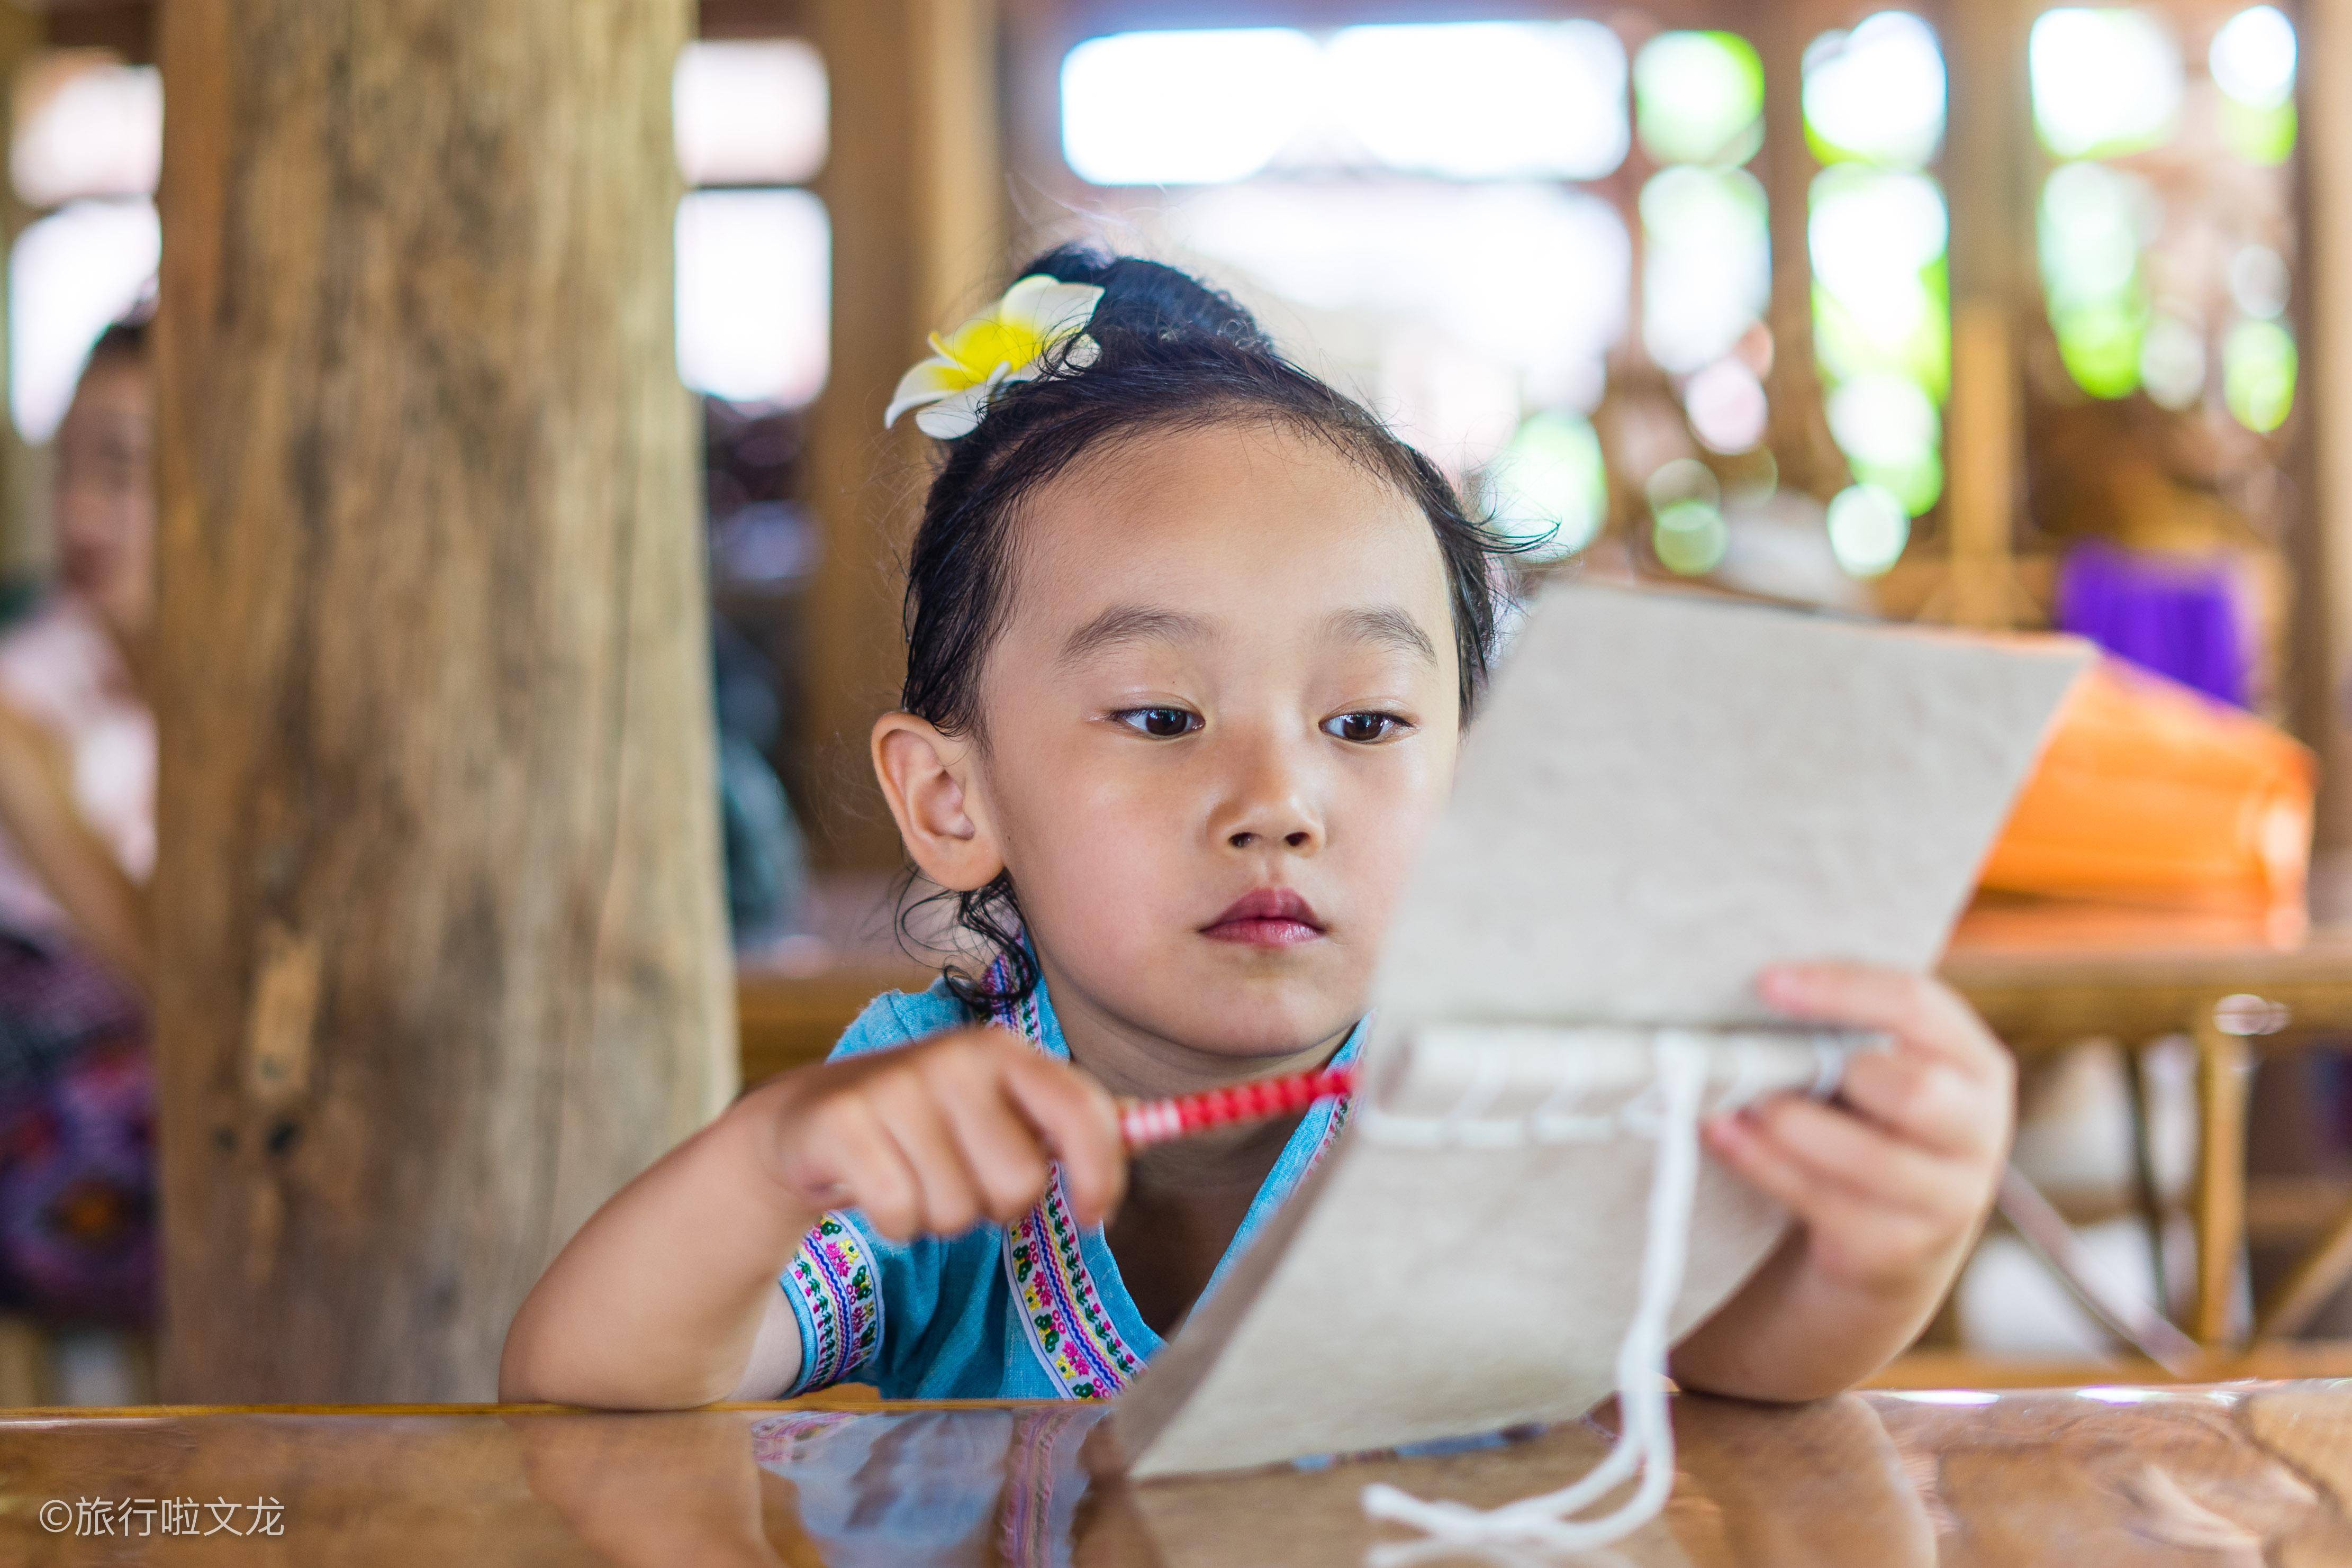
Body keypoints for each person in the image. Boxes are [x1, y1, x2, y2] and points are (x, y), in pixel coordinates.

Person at [500, 250, 2014, 1413]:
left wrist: (1879, 1244)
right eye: (1161, 717)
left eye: (1365, 724)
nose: (1277, 803)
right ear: (952, 801)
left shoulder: (1505, 1100)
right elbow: (588, 1381)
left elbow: (1735, 1353)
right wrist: (773, 1162)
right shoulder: (929, 1132)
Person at [0, 320, 158, 1324]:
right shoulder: (30, 683)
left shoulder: (285, 722)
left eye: (127, 468)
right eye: (73, 469)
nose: (85, 510)